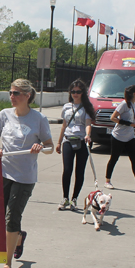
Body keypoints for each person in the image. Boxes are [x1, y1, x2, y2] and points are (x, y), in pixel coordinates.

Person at [0, 79, 53, 268]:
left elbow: (50, 147)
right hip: (4, 173)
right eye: (10, 93)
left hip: (24, 177)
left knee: (12, 217)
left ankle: (7, 264)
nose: (12, 97)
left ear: (27, 96)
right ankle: (18, 237)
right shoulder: (4, 115)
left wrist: (40, 147)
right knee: (1, 216)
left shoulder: (39, 119)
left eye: (16, 93)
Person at [104, 85, 135, 192]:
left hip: (130, 136)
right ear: (134, 94)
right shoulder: (124, 105)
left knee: (134, 160)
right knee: (114, 158)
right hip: (118, 136)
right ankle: (107, 181)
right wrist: (128, 124)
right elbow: (113, 118)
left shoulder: (134, 105)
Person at [56, 79, 96, 210]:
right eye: (73, 91)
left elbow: (88, 124)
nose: (75, 94)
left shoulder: (86, 108)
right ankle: (65, 198)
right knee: (67, 170)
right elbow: (64, 125)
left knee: (79, 171)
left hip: (81, 141)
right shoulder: (67, 107)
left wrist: (88, 135)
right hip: (68, 140)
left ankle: (74, 199)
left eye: (78, 92)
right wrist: (58, 142)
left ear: (82, 92)